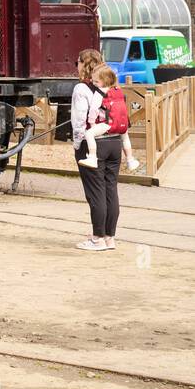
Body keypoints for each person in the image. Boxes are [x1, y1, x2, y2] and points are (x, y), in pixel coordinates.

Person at [70, 48, 121, 252]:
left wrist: (77, 146)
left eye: (77, 63)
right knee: (111, 190)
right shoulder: (112, 86)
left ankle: (97, 238)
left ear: (83, 64)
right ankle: (110, 237)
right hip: (114, 142)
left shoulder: (81, 89)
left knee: (95, 193)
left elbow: (79, 122)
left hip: (93, 145)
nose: (77, 66)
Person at [79, 64, 141, 172]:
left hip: (107, 125)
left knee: (89, 134)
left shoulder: (100, 93)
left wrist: (92, 122)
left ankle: (92, 158)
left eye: (96, 81)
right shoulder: (118, 90)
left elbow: (94, 109)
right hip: (122, 124)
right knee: (125, 138)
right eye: (93, 81)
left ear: (105, 80)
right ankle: (130, 160)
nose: (94, 83)